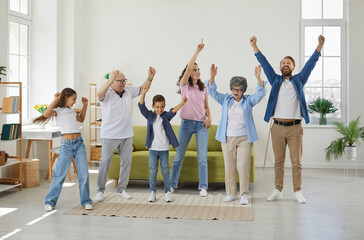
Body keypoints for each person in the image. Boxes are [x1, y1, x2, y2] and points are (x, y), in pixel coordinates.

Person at [250, 35, 325, 204]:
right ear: (280, 67)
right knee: (278, 161)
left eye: (289, 63)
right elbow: (264, 62)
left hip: (294, 127)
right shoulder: (275, 80)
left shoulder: (299, 80)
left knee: (296, 162)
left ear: (293, 67)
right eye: (283, 62)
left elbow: (311, 63)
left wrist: (319, 46)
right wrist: (255, 46)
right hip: (277, 127)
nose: (285, 64)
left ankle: (298, 191)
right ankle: (278, 190)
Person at [206, 64, 266, 205]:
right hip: (227, 138)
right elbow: (211, 91)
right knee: (229, 166)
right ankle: (231, 194)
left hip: (244, 138)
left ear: (243, 90)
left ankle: (244, 194)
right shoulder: (226, 100)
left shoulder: (248, 101)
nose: (236, 92)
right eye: (234, 89)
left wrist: (258, 77)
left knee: (243, 165)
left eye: (239, 90)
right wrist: (212, 77)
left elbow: (261, 93)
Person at [95, 67, 156, 201]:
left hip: (127, 134)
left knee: (126, 162)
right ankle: (100, 190)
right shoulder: (107, 94)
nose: (123, 83)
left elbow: (142, 88)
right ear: (112, 82)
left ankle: (121, 189)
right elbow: (99, 94)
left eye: (124, 81)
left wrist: (150, 77)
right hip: (109, 135)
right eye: (120, 81)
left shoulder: (128, 91)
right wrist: (110, 79)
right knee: (105, 162)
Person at [34, 88, 92, 211]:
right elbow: (46, 114)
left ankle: (86, 201)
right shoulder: (57, 111)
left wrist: (85, 105)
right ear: (66, 98)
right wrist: (55, 99)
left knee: (84, 174)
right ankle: (50, 201)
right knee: (59, 175)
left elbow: (81, 119)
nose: (75, 102)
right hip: (66, 145)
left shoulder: (71, 111)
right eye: (73, 99)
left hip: (79, 144)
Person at [170, 39, 212, 197]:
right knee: (178, 157)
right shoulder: (184, 86)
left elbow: (206, 106)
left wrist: (210, 118)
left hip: (201, 124)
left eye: (198, 69)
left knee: (202, 158)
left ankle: (203, 187)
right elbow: (188, 67)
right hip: (186, 124)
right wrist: (197, 51)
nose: (197, 71)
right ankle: (172, 184)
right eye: (194, 69)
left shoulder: (203, 87)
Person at [138, 86, 187, 202]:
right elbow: (141, 107)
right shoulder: (150, 115)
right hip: (153, 149)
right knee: (152, 172)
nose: (159, 109)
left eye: (162, 107)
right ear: (153, 107)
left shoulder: (165, 116)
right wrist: (143, 93)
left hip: (164, 149)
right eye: (157, 107)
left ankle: (167, 192)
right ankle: (152, 192)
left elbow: (173, 111)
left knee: (165, 171)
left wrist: (182, 103)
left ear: (164, 106)